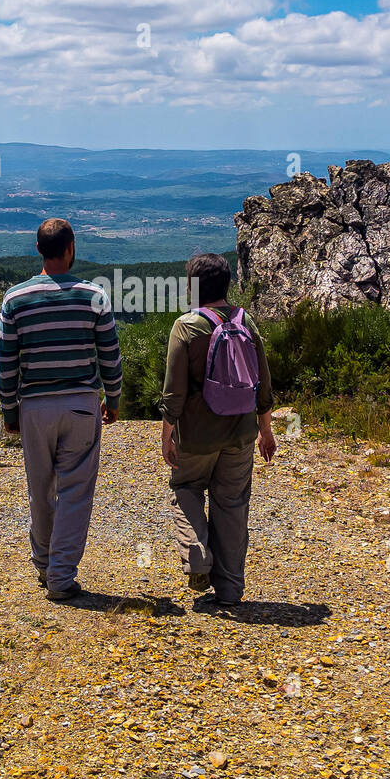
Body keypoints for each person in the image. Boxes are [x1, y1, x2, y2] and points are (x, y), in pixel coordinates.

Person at [0, 218, 121, 601]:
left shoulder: (14, 299)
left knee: (40, 489)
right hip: (81, 404)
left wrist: (9, 412)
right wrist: (112, 400)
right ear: (71, 248)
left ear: (38, 249)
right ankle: (61, 576)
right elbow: (110, 356)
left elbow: (6, 363)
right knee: (75, 491)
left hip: (34, 407)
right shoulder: (94, 296)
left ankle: (44, 564)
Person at [159, 253, 275, 609]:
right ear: (228, 284)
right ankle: (229, 590)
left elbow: (173, 392)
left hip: (196, 436)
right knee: (233, 505)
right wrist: (265, 431)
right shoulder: (247, 321)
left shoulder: (187, 326)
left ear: (193, 287)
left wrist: (167, 435)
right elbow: (264, 384)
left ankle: (196, 556)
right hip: (240, 434)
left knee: (185, 487)